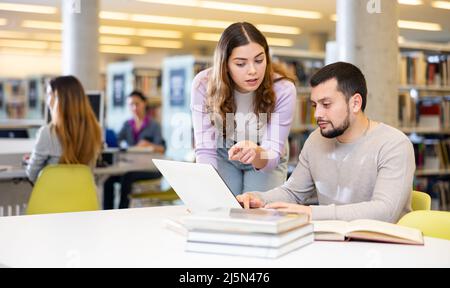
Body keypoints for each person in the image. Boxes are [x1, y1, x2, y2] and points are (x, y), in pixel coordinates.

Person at [237, 62, 416, 223]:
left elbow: (385, 212)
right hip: (334, 244)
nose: (317, 115)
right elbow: (293, 192)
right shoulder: (316, 140)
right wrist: (259, 198)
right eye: (315, 105)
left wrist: (311, 213)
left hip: (386, 249)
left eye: (326, 104)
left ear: (355, 103)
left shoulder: (394, 144)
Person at [191, 22, 297, 196]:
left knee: (259, 212)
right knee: (221, 208)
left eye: (259, 60)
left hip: (265, 153)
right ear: (225, 65)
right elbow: (205, 148)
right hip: (223, 152)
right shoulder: (203, 84)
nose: (253, 71)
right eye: (241, 64)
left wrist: (256, 153)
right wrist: (205, 192)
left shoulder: (283, 89)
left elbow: (272, 153)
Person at [26, 76, 102, 183]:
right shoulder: (94, 130)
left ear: (58, 98)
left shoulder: (47, 133)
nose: (47, 101)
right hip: (83, 198)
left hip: (53, 197)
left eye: (49, 95)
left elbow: (32, 174)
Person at [103, 90, 165, 209]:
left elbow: (162, 149)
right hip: (131, 166)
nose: (134, 107)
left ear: (144, 103)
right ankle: (107, 211)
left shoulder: (154, 125)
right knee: (108, 178)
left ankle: (122, 210)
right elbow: (115, 142)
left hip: (151, 168)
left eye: (137, 104)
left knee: (127, 176)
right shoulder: (127, 124)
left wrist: (149, 145)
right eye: (131, 105)